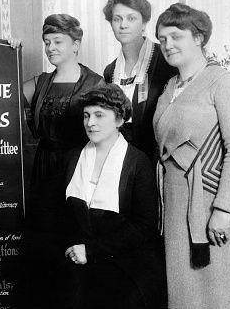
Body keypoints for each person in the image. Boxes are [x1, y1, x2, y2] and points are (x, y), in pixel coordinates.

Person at [154, 3, 230, 308]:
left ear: (199, 37)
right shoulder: (169, 87)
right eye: (162, 39)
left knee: (218, 292)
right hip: (175, 205)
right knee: (184, 294)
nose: (167, 45)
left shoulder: (223, 82)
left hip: (210, 204)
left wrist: (223, 209)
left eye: (175, 36)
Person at [21, 14, 105, 308]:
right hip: (44, 169)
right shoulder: (40, 82)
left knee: (73, 239)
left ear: (76, 45)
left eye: (58, 41)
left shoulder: (94, 82)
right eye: (46, 42)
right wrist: (4, 54)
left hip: (77, 167)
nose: (51, 48)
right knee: (44, 244)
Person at [64, 84, 166, 309]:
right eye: (86, 115)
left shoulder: (138, 163)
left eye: (99, 115)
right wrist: (74, 249)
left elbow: (144, 228)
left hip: (126, 266)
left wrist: (92, 252)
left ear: (119, 120)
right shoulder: (72, 158)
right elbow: (58, 216)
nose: (90, 123)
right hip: (79, 261)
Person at [102, 0, 177, 160]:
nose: (123, 25)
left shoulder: (165, 61)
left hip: (155, 158)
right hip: (119, 156)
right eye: (117, 19)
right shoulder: (110, 71)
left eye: (131, 18)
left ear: (144, 23)